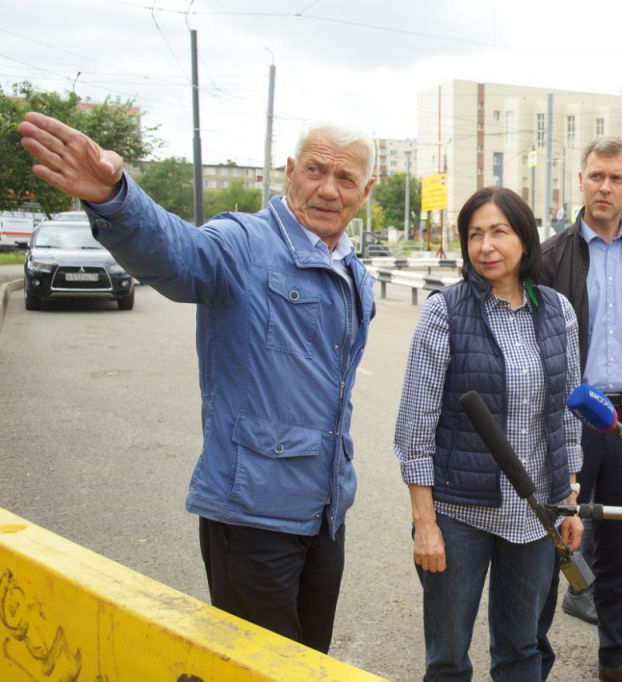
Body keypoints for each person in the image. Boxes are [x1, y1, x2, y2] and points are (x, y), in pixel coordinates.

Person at [17, 112, 377, 653]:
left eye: (345, 178)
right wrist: (117, 199)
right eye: (314, 170)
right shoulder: (243, 245)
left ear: (366, 190)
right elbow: (177, 253)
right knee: (257, 666)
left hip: (324, 513)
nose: (327, 189)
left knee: (307, 663)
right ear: (288, 172)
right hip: (253, 514)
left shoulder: (352, 268)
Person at [393, 187, 584, 680]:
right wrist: (426, 524)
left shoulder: (558, 311)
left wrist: (569, 498)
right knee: (448, 654)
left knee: (521, 648)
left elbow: (567, 413)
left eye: (499, 231)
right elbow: (416, 428)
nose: (486, 246)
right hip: (459, 513)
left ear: (524, 239)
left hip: (535, 510)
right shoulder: (445, 311)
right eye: (474, 234)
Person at [537, 137, 622, 682]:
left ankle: (614, 657)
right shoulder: (550, 256)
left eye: (617, 178)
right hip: (567, 422)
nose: (605, 187)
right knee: (552, 545)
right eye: (596, 175)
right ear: (580, 179)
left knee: (616, 547)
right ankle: (533, 658)